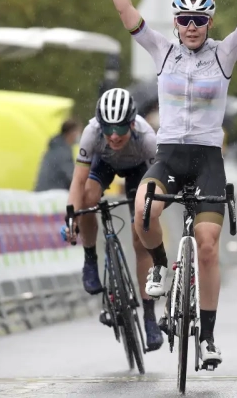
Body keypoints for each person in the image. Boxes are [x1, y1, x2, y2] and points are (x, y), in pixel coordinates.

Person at [93, 0, 237, 365]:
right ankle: (160, 265)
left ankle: (209, 337)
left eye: (200, 18)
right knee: (142, 210)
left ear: (210, 20)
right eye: (185, 19)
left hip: (206, 160)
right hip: (167, 156)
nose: (193, 25)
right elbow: (124, 9)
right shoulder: (162, 51)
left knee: (208, 245)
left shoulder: (224, 54)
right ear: (176, 22)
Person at [64, 88, 163, 350]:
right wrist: (71, 215)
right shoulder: (92, 133)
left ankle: (150, 316)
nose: (115, 135)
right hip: (104, 165)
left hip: (138, 171)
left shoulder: (147, 138)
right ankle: (90, 259)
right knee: (86, 200)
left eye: (120, 127)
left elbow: (157, 186)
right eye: (108, 128)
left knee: (140, 239)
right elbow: (78, 180)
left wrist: (148, 214)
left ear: (132, 122)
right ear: (100, 125)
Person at [34, 119, 81, 191]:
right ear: (71, 133)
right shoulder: (63, 152)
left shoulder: (55, 148)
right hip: (53, 194)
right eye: (78, 132)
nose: (79, 135)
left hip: (43, 193)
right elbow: (73, 177)